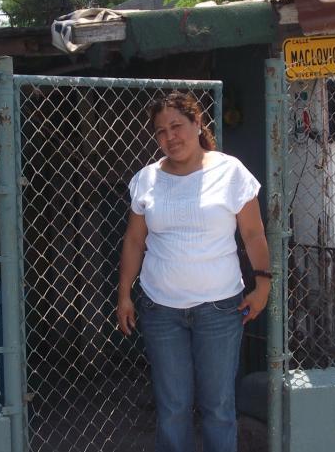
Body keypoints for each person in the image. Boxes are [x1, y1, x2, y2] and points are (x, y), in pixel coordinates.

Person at [116, 91, 271, 452]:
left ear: (197, 123)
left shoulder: (230, 172)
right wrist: (124, 294)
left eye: (177, 126)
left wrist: (263, 284)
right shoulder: (146, 179)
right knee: (173, 408)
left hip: (219, 309)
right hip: (160, 310)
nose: (170, 137)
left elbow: (253, 233)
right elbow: (134, 241)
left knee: (218, 407)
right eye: (161, 131)